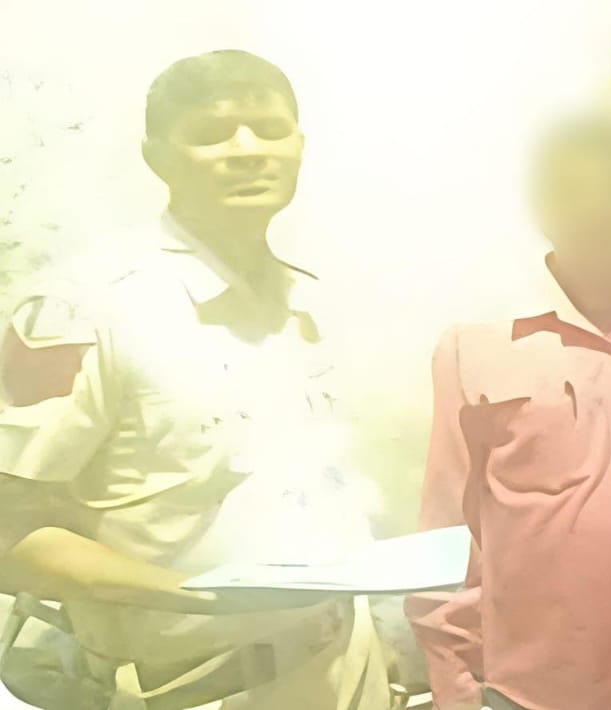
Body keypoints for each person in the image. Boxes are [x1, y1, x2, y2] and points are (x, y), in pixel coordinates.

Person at [0, 50, 392, 709]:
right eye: (212, 134)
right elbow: (9, 536)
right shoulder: (80, 309)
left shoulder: (309, 300)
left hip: (346, 664)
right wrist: (195, 595)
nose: (247, 150)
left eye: (269, 129)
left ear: (299, 147)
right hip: (199, 689)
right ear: (157, 157)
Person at [404, 111, 611, 710]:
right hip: (541, 690)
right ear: (542, 206)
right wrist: (456, 687)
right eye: (574, 193)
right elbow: (447, 533)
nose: (597, 211)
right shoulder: (473, 346)